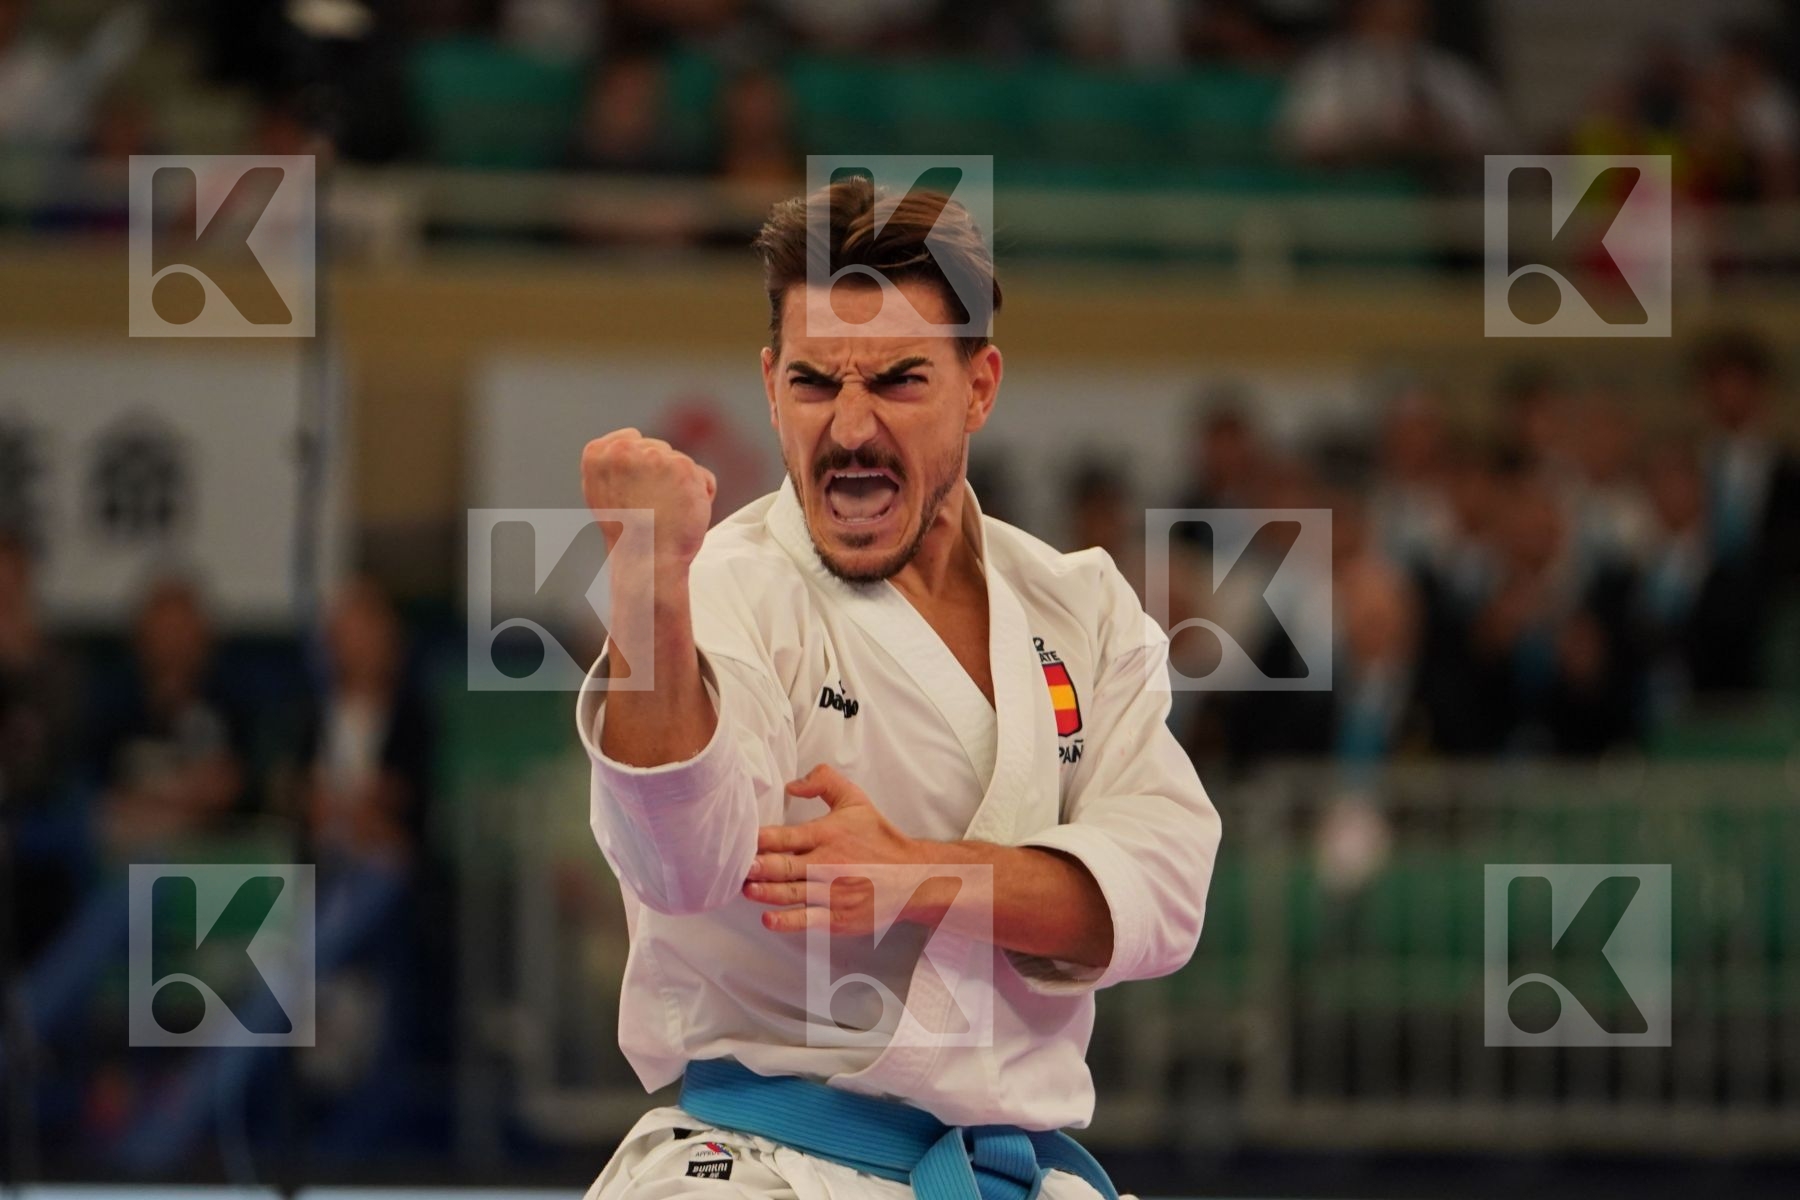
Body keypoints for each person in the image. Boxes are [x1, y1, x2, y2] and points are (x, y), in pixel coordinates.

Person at [574, 177, 1220, 1200]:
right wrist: (650, 587)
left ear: (981, 385)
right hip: (756, 1172)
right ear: (769, 382)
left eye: (900, 381)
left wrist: (918, 874)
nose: (853, 428)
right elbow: (678, 862)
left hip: (1012, 1172)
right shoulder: (736, 586)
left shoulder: (1080, 607)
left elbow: (1162, 893)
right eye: (816, 382)